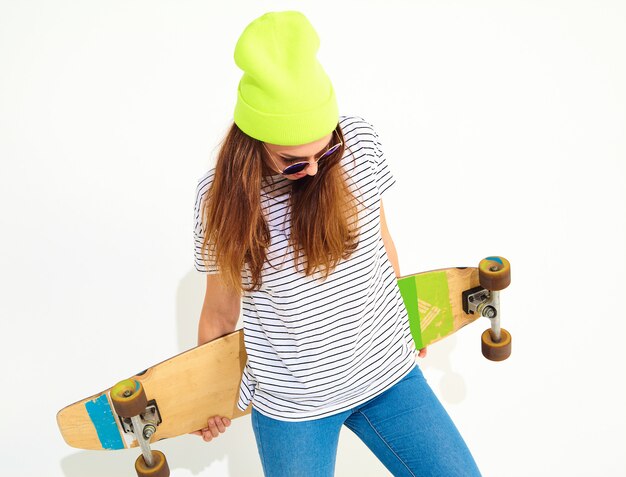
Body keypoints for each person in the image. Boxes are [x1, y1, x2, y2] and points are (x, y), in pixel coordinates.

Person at [192, 10, 482, 477]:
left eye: (323, 152)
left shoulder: (360, 144)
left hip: (387, 371)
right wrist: (205, 398)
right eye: (292, 161)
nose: (311, 169)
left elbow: (380, 241)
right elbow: (221, 314)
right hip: (294, 404)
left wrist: (407, 313)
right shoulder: (219, 200)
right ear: (253, 140)